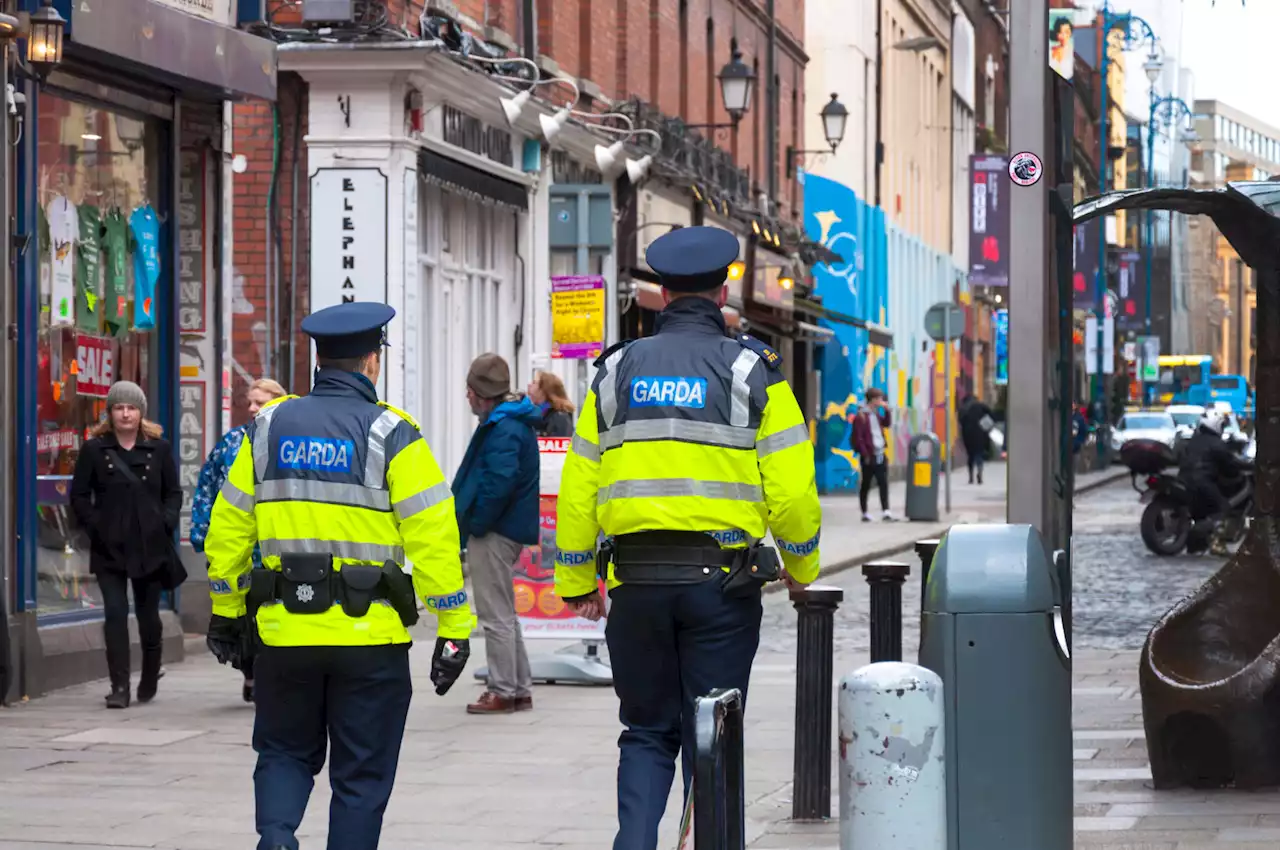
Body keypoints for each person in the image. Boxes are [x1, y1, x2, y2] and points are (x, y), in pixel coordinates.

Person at [554, 225, 822, 850]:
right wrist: (802, 567)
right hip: (722, 591)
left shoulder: (615, 372)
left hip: (637, 585)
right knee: (715, 730)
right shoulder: (754, 371)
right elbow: (790, 490)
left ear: (662, 291)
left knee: (646, 731)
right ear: (724, 285)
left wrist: (574, 580)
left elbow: (579, 485)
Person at [203, 301, 475, 850]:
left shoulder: (266, 428)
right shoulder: (393, 435)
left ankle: (277, 836)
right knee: (361, 777)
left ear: (319, 360)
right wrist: (453, 626)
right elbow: (434, 537)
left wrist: (226, 613)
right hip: (369, 640)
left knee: (282, 750)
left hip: (285, 635)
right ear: (371, 363)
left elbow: (228, 529)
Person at [70, 381, 182, 709]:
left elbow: (173, 492)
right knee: (115, 614)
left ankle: (149, 673)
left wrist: (166, 520)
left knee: (148, 616)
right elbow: (78, 494)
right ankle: (119, 685)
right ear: (110, 412)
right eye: (119, 407)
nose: (125, 413)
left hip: (149, 545)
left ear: (141, 412)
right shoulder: (95, 449)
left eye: (131, 408)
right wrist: (95, 525)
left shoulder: (158, 448)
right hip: (109, 547)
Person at [190, 377, 288, 703]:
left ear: (278, 401)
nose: (252, 408)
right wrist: (203, 533)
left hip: (277, 549)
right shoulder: (233, 442)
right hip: (241, 547)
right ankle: (251, 670)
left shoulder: (288, 441)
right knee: (244, 615)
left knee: (269, 614)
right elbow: (209, 488)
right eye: (250, 402)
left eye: (260, 402)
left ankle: (267, 673)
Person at [453, 353, 540, 714]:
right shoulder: (511, 422)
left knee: (494, 614)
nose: (467, 398)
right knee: (504, 610)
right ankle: (518, 687)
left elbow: (497, 484)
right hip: (506, 527)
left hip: (495, 530)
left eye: (469, 391)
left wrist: (477, 524)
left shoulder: (502, 427)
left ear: (479, 393)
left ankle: (502, 689)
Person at [1177, 409, 1252, 556]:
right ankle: (1217, 543)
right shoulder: (1216, 444)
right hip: (1202, 482)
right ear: (1215, 425)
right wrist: (1250, 466)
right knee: (1223, 509)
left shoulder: (1194, 440)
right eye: (1221, 425)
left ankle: (1196, 543)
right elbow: (1230, 464)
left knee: (1204, 511)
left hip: (1185, 480)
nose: (1222, 428)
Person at [853, 388, 894, 521]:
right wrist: (865, 454)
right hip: (869, 456)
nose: (881, 401)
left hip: (880, 453)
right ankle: (864, 512)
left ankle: (886, 510)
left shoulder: (876, 414)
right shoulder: (861, 417)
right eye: (879, 399)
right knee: (866, 484)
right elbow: (857, 438)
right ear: (873, 400)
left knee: (883, 482)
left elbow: (887, 423)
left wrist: (887, 410)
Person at [958, 394, 995, 485]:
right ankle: (980, 472)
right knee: (979, 454)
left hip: (968, 434)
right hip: (980, 433)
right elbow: (991, 415)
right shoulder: (981, 406)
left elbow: (960, 421)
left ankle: (971, 477)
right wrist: (986, 425)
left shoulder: (963, 408)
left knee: (970, 455)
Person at [527, 369, 575, 437]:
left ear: (544, 390)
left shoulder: (560, 418)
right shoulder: (537, 414)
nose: (529, 385)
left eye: (534, 382)